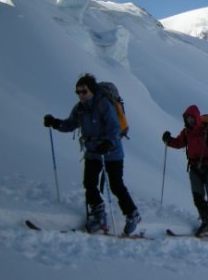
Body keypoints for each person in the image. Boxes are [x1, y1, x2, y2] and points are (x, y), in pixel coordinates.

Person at [43, 73, 141, 235]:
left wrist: (109, 143)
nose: (81, 95)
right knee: (89, 183)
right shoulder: (80, 108)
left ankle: (133, 214)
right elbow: (70, 124)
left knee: (116, 185)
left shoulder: (104, 105)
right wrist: (55, 123)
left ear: (92, 90)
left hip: (112, 152)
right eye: (78, 92)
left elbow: (114, 127)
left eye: (84, 91)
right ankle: (99, 213)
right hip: (93, 152)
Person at [162, 105, 208, 236]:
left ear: (197, 118)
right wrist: (168, 141)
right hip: (195, 168)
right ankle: (206, 222)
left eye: (191, 118)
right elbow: (179, 143)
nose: (189, 121)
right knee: (198, 197)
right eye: (187, 119)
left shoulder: (207, 131)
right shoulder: (186, 133)